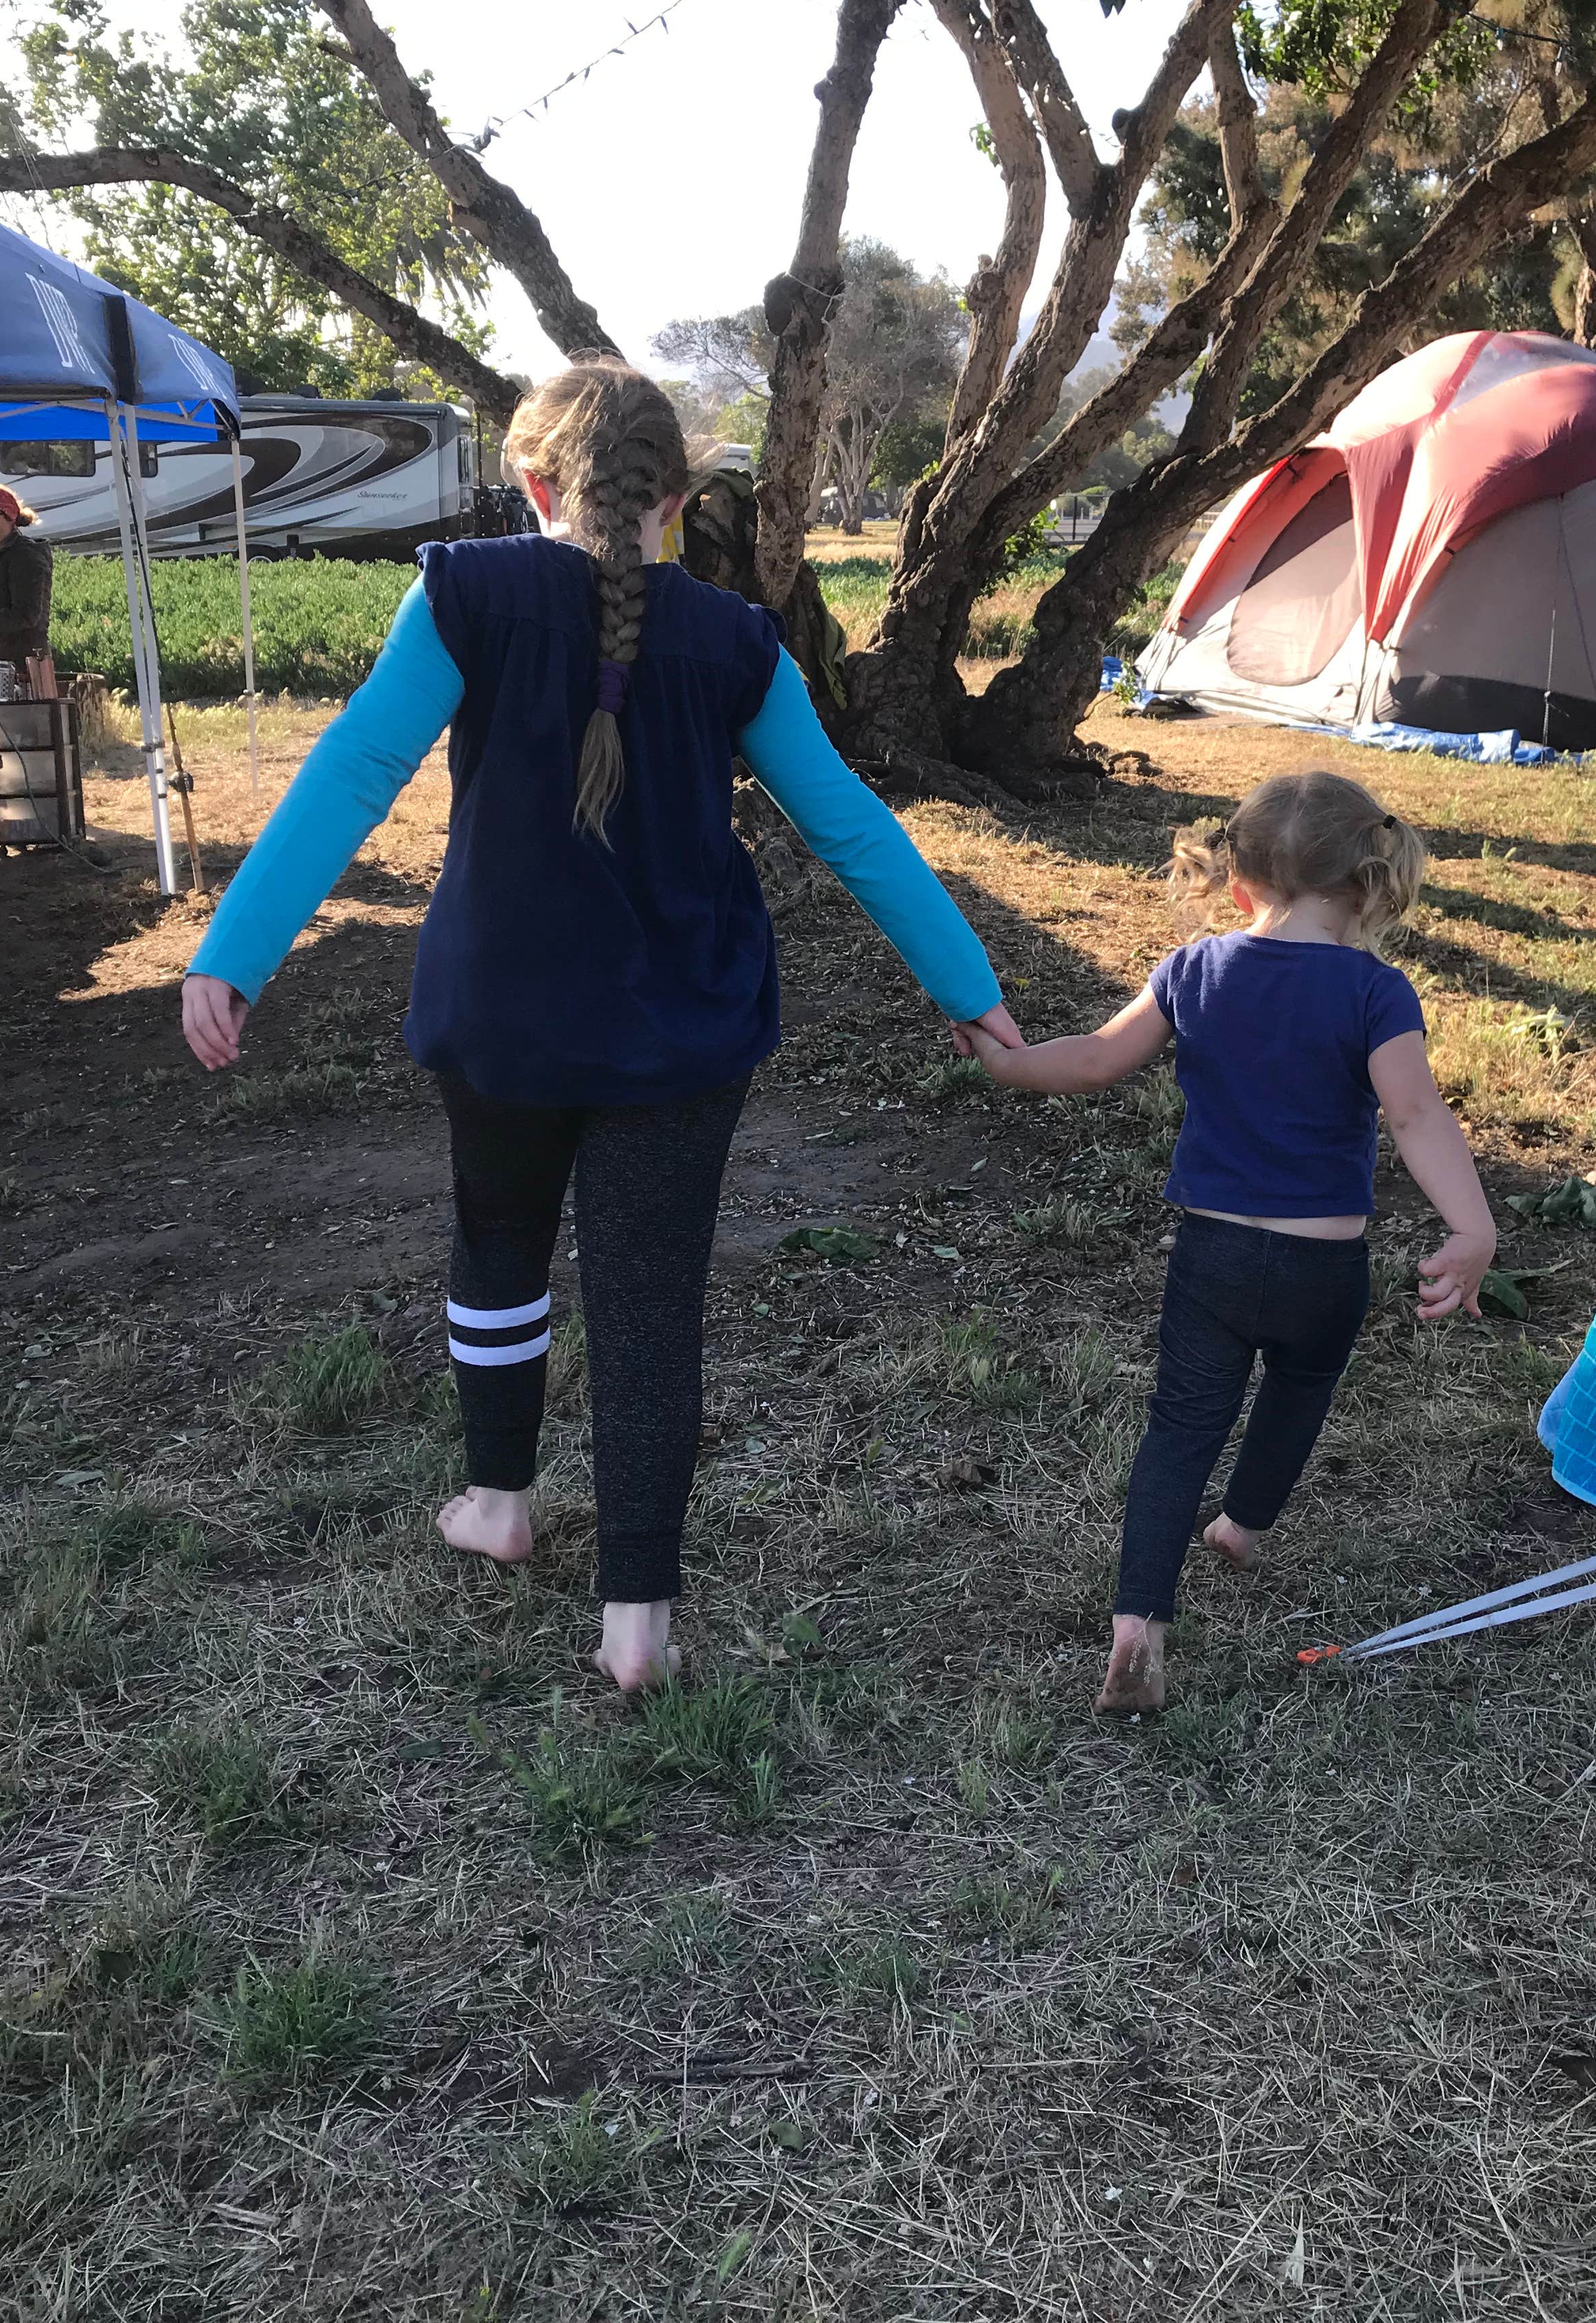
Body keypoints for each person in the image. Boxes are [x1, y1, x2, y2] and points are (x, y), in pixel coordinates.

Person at [181, 357, 1018, 1692]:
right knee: (647, 1307)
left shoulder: (466, 595)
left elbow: (354, 771)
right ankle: (638, 1619)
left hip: (500, 1019)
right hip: (678, 1038)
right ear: (677, 504)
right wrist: (972, 991)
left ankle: (499, 1504)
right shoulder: (740, 645)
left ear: (530, 482)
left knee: (499, 1247)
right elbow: (850, 826)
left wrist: (235, 949)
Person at [961, 770, 1493, 1714]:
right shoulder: (1377, 992)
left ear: (1239, 883)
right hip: (1324, 1265)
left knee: (1181, 1427)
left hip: (1211, 1259)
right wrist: (1471, 1225)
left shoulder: (1195, 969)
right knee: (1300, 1388)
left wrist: (1008, 1063)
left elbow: (1093, 1057)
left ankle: (1138, 1625)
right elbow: (1414, 1115)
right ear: (1366, 883)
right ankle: (1243, 1527)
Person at [0, 481, 52, 687]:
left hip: (23, 667)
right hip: (0, 662)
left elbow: (27, 615)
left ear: (10, 518)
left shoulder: (26, 556)